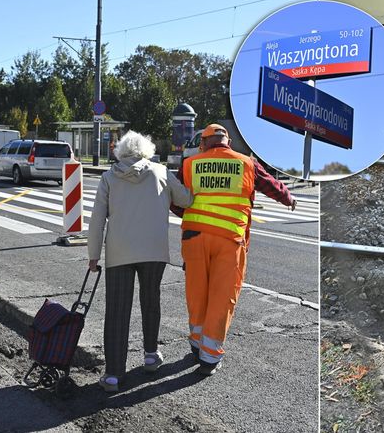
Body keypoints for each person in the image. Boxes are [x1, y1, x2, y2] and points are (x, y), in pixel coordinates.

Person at [180, 124, 296, 376]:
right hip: (229, 240)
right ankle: (209, 357)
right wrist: (289, 198)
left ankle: (196, 343)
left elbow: (177, 199)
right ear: (227, 142)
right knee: (222, 297)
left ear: (205, 142)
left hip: (194, 238)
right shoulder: (246, 163)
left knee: (197, 292)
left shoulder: (190, 164)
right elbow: (271, 185)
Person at [87, 131, 193, 392]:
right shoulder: (160, 171)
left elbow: (97, 219)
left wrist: (93, 256)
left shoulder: (109, 177)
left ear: (119, 153)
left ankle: (113, 374)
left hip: (119, 252)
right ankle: (150, 355)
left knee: (117, 310)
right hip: (154, 250)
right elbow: (186, 200)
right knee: (150, 299)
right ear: (147, 150)